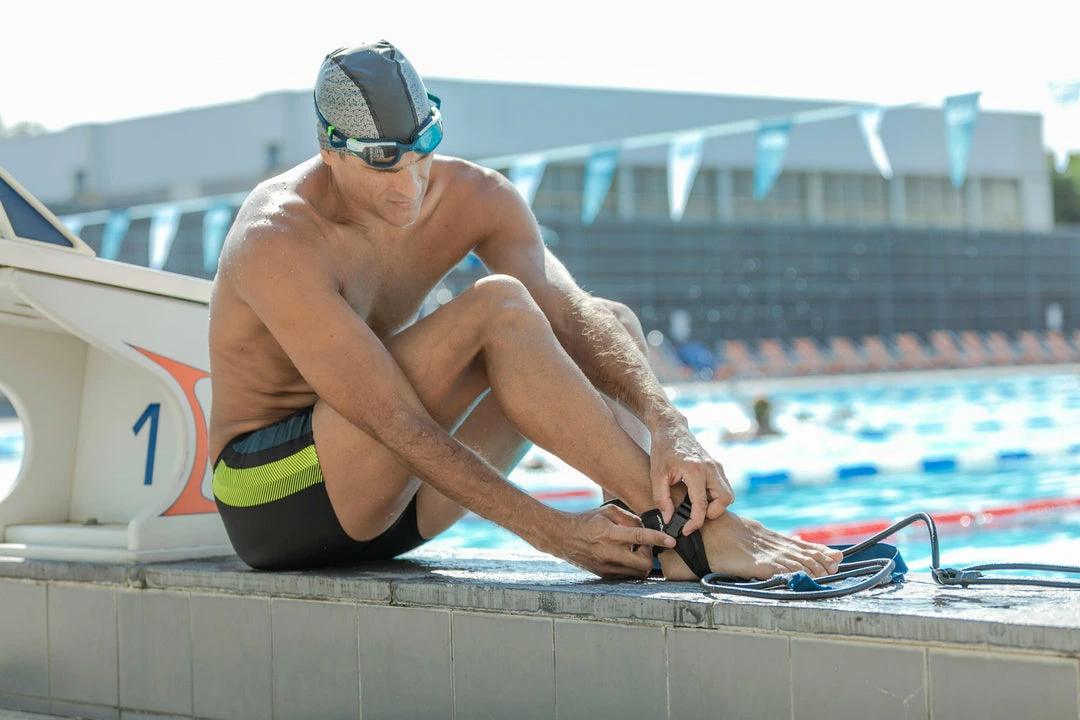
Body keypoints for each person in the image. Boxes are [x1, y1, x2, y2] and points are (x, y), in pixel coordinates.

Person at [207, 41, 842, 581]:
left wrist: (668, 421)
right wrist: (556, 533)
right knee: (497, 307)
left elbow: (571, 313)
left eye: (421, 150)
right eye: (382, 164)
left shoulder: (474, 196)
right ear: (330, 150)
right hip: (279, 503)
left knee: (610, 326)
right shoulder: (278, 238)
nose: (409, 185)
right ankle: (694, 534)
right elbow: (392, 422)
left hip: (403, 500)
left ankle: (654, 539)